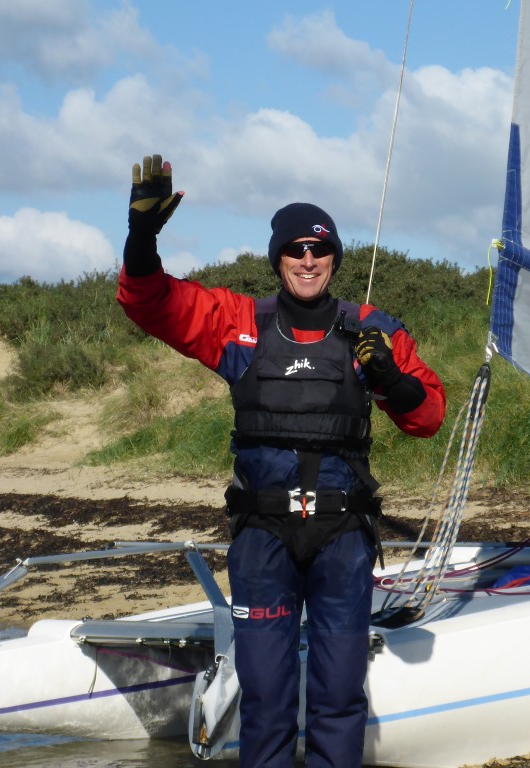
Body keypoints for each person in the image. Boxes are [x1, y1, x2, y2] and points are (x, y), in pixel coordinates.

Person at [116, 154, 446, 768]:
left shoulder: (372, 332)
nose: (308, 259)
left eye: (320, 249)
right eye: (295, 249)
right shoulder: (238, 325)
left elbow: (427, 416)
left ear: (335, 258)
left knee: (339, 696)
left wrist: (389, 376)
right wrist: (142, 236)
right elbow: (149, 302)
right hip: (263, 538)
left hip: (342, 539)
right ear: (278, 259)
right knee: (265, 698)